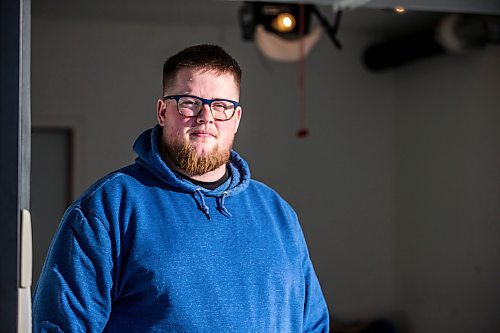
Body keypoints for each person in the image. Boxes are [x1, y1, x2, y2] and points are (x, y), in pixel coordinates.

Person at [32, 44, 329, 332]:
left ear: (237, 118)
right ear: (162, 112)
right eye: (189, 103)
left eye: (222, 106)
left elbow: (313, 324)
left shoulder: (278, 214)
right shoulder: (110, 208)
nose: (206, 118)